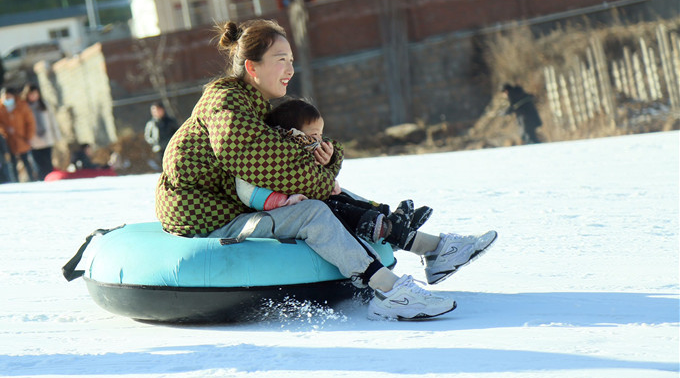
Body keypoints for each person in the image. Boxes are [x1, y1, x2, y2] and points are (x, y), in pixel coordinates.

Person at [155, 19, 497, 321]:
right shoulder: (226, 103)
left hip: (233, 204)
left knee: (333, 197)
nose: (290, 69)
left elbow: (287, 149)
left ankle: (435, 249)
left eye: (291, 60)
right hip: (207, 217)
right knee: (315, 211)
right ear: (252, 67)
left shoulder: (251, 104)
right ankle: (389, 293)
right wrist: (322, 181)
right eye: (280, 60)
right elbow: (256, 158)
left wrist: (327, 159)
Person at [235, 98, 433, 249]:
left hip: (316, 198)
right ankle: (380, 226)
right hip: (292, 211)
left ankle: (390, 216)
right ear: (291, 134)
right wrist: (286, 201)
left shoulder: (304, 152)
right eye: (313, 136)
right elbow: (251, 193)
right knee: (337, 206)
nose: (318, 141)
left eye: (320, 135)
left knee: (344, 197)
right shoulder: (262, 159)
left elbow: (317, 178)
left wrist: (327, 163)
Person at [0, 86, 37, 182]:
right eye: (5, 97)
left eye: (9, 97)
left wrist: (29, 136)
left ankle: (32, 179)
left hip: (22, 138)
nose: (7, 99)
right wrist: (5, 130)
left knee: (26, 161)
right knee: (12, 163)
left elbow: (30, 122)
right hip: (8, 139)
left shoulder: (22, 105)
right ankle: (15, 181)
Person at [22, 83, 61, 180]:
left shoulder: (45, 104)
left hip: (47, 138)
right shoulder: (25, 107)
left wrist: (57, 135)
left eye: (35, 93)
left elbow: (52, 120)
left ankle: (50, 179)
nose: (34, 96)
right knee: (38, 165)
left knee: (48, 163)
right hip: (33, 139)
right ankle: (41, 180)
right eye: (31, 94)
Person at [144, 102, 178, 170]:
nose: (156, 112)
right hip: (158, 149)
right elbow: (147, 136)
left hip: (170, 148)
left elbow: (177, 133)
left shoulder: (170, 121)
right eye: (154, 111)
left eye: (158, 110)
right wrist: (154, 142)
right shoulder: (151, 124)